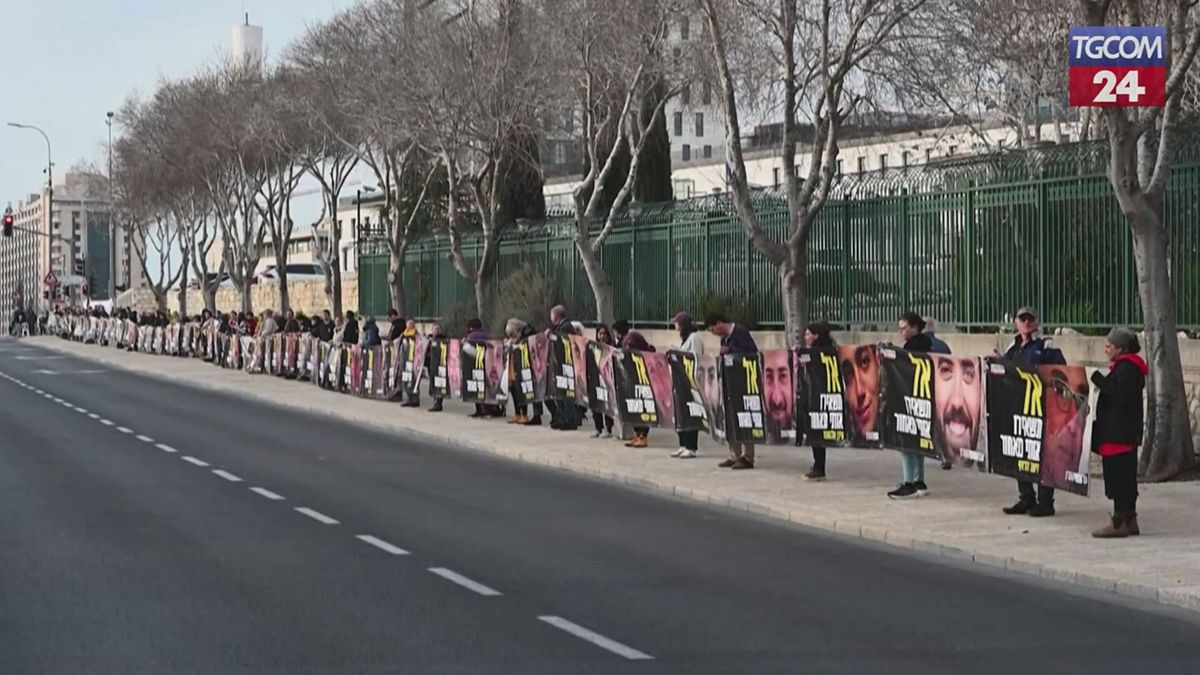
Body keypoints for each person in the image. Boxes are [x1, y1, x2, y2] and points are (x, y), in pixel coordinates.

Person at [997, 306, 1067, 517]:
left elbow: (1059, 371)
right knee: (1021, 451)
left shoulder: (1046, 345)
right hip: (1018, 407)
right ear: (1016, 322)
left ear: (1036, 321)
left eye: (1030, 318)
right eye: (1022, 318)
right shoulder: (1013, 346)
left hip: (1041, 408)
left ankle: (1046, 501)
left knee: (1043, 455)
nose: (1026, 322)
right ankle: (1026, 497)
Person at [1090, 328, 1147, 538]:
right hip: (1122, 433)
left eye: (1109, 346)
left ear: (1121, 348)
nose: (1105, 350)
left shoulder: (1127, 369)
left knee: (1118, 478)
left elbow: (1118, 394)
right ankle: (1130, 519)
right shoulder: (1126, 368)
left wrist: (1096, 379)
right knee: (1126, 477)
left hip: (1118, 433)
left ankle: (1119, 521)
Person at [705, 312, 759, 470]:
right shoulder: (725, 338)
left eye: (713, 329)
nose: (714, 333)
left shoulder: (740, 333)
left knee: (744, 418)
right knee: (729, 419)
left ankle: (748, 456)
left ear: (719, 323)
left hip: (743, 383)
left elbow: (751, 353)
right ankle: (734, 454)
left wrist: (730, 351)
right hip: (729, 383)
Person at [889, 312, 933, 499]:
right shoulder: (928, 344)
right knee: (917, 440)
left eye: (904, 328)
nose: (901, 332)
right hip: (923, 397)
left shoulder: (912, 348)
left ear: (915, 327)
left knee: (906, 439)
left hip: (911, 396)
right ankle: (918, 480)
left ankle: (909, 483)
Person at [804, 321, 837, 481]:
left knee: (817, 431)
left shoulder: (817, 353)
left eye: (808, 334)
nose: (805, 337)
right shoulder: (828, 350)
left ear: (816, 336)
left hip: (820, 396)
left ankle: (819, 467)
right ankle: (817, 465)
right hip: (819, 395)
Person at [671, 312, 704, 458]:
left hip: (690, 381)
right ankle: (682, 444)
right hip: (680, 382)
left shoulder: (694, 338)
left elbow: (695, 357)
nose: (675, 325)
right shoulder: (683, 340)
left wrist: (679, 354)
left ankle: (691, 446)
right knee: (681, 413)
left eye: (677, 322)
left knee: (691, 413)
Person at [548, 305, 582, 431]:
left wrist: (552, 335)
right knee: (561, 394)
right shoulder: (559, 327)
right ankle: (563, 418)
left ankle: (570, 420)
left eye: (551, 315)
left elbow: (562, 341)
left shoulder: (566, 327)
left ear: (556, 315)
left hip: (567, 364)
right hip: (560, 365)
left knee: (567, 394)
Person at [621, 328, 655, 448]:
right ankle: (636, 434)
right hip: (631, 383)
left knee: (643, 410)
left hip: (643, 385)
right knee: (633, 408)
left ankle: (643, 436)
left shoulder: (648, 354)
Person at [591, 324, 616, 439]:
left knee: (607, 405)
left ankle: (608, 429)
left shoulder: (612, 348)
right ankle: (598, 428)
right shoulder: (593, 347)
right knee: (596, 405)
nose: (602, 336)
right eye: (600, 334)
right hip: (596, 379)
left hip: (608, 380)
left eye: (605, 334)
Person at [463, 318, 491, 418]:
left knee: (475, 387)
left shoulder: (471, 336)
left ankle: (479, 410)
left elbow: (467, 350)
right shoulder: (487, 335)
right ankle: (488, 409)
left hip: (474, 365)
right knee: (485, 388)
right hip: (486, 365)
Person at [400, 317, 422, 408]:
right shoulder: (403, 334)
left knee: (414, 380)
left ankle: (415, 399)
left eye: (412, 323)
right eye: (409, 323)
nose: (410, 325)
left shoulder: (417, 335)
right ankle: (409, 398)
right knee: (406, 379)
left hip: (414, 361)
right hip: (405, 360)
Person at [426, 322, 447, 412]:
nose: (437, 330)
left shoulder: (443, 339)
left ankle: (438, 403)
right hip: (431, 364)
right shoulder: (429, 339)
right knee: (433, 382)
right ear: (432, 330)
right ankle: (435, 401)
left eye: (438, 329)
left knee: (439, 383)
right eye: (435, 329)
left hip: (440, 364)